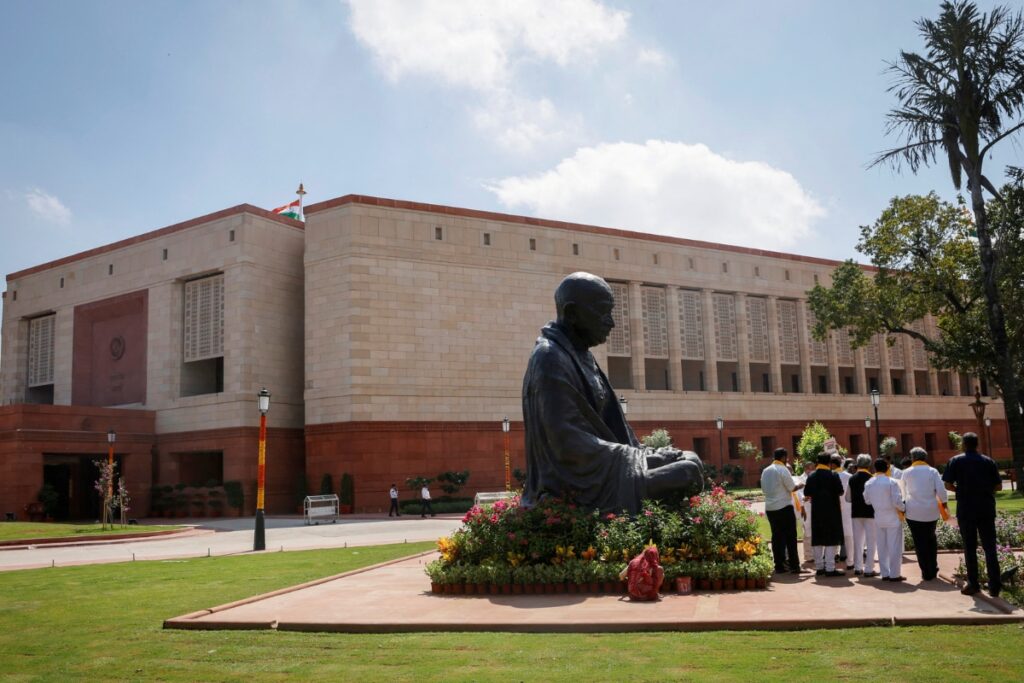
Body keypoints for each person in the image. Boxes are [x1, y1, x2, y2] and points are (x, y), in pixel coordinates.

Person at [521, 272, 704, 514]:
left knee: (691, 459)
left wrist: (648, 454)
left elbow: (618, 433)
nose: (611, 322)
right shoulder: (549, 357)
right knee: (686, 472)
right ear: (573, 312)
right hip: (581, 481)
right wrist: (648, 460)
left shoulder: (582, 355)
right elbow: (567, 443)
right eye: (603, 312)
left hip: (607, 465)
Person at [942, 432, 1002, 597]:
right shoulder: (988, 461)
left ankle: (973, 584)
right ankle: (995, 586)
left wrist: (960, 490)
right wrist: (984, 490)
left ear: (963, 444)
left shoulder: (956, 461)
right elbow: (998, 486)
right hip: (986, 508)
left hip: (967, 508)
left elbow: (947, 483)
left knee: (970, 547)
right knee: (990, 547)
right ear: (977, 444)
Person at [902, 447, 948, 581]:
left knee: (919, 542)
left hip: (913, 511)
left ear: (912, 458)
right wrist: (944, 504)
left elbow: (902, 492)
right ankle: (932, 567)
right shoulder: (933, 471)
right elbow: (941, 491)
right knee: (930, 540)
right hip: (930, 511)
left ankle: (925, 570)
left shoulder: (906, 472)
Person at [760, 447, 804, 574]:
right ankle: (794, 565)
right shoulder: (783, 469)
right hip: (784, 507)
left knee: (776, 537)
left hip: (770, 507)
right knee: (791, 537)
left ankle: (779, 565)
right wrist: (801, 485)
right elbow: (792, 487)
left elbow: (763, 489)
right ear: (784, 458)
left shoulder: (765, 470)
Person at [862, 458, 906, 582]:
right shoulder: (891, 482)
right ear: (887, 468)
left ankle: (885, 573)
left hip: (878, 516)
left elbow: (867, 501)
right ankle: (895, 574)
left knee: (882, 546)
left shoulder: (869, 483)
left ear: (874, 468)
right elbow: (897, 501)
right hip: (892, 516)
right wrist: (904, 508)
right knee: (894, 546)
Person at [802, 453, 845, 576]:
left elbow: (807, 492)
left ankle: (819, 567)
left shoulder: (811, 476)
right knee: (831, 539)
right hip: (832, 511)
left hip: (817, 511)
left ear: (817, 461)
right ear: (829, 463)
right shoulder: (833, 475)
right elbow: (840, 492)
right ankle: (830, 568)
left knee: (818, 538)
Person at [846, 454, 878, 577]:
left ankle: (858, 567)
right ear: (869, 465)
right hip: (870, 513)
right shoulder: (872, 478)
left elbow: (848, 498)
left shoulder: (852, 478)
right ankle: (869, 568)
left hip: (856, 513)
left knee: (857, 541)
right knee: (871, 541)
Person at [831, 453, 854, 568]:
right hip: (847, 508)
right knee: (849, 536)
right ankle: (850, 561)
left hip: (833, 509)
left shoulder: (829, 476)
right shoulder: (849, 476)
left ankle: (832, 559)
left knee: (833, 534)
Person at [794, 461, 815, 565]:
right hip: (805, 508)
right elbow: (799, 493)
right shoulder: (799, 479)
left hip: (815, 507)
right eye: (811, 468)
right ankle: (808, 555)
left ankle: (816, 554)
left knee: (815, 530)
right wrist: (804, 498)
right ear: (806, 468)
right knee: (807, 531)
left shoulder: (815, 477)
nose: (812, 470)